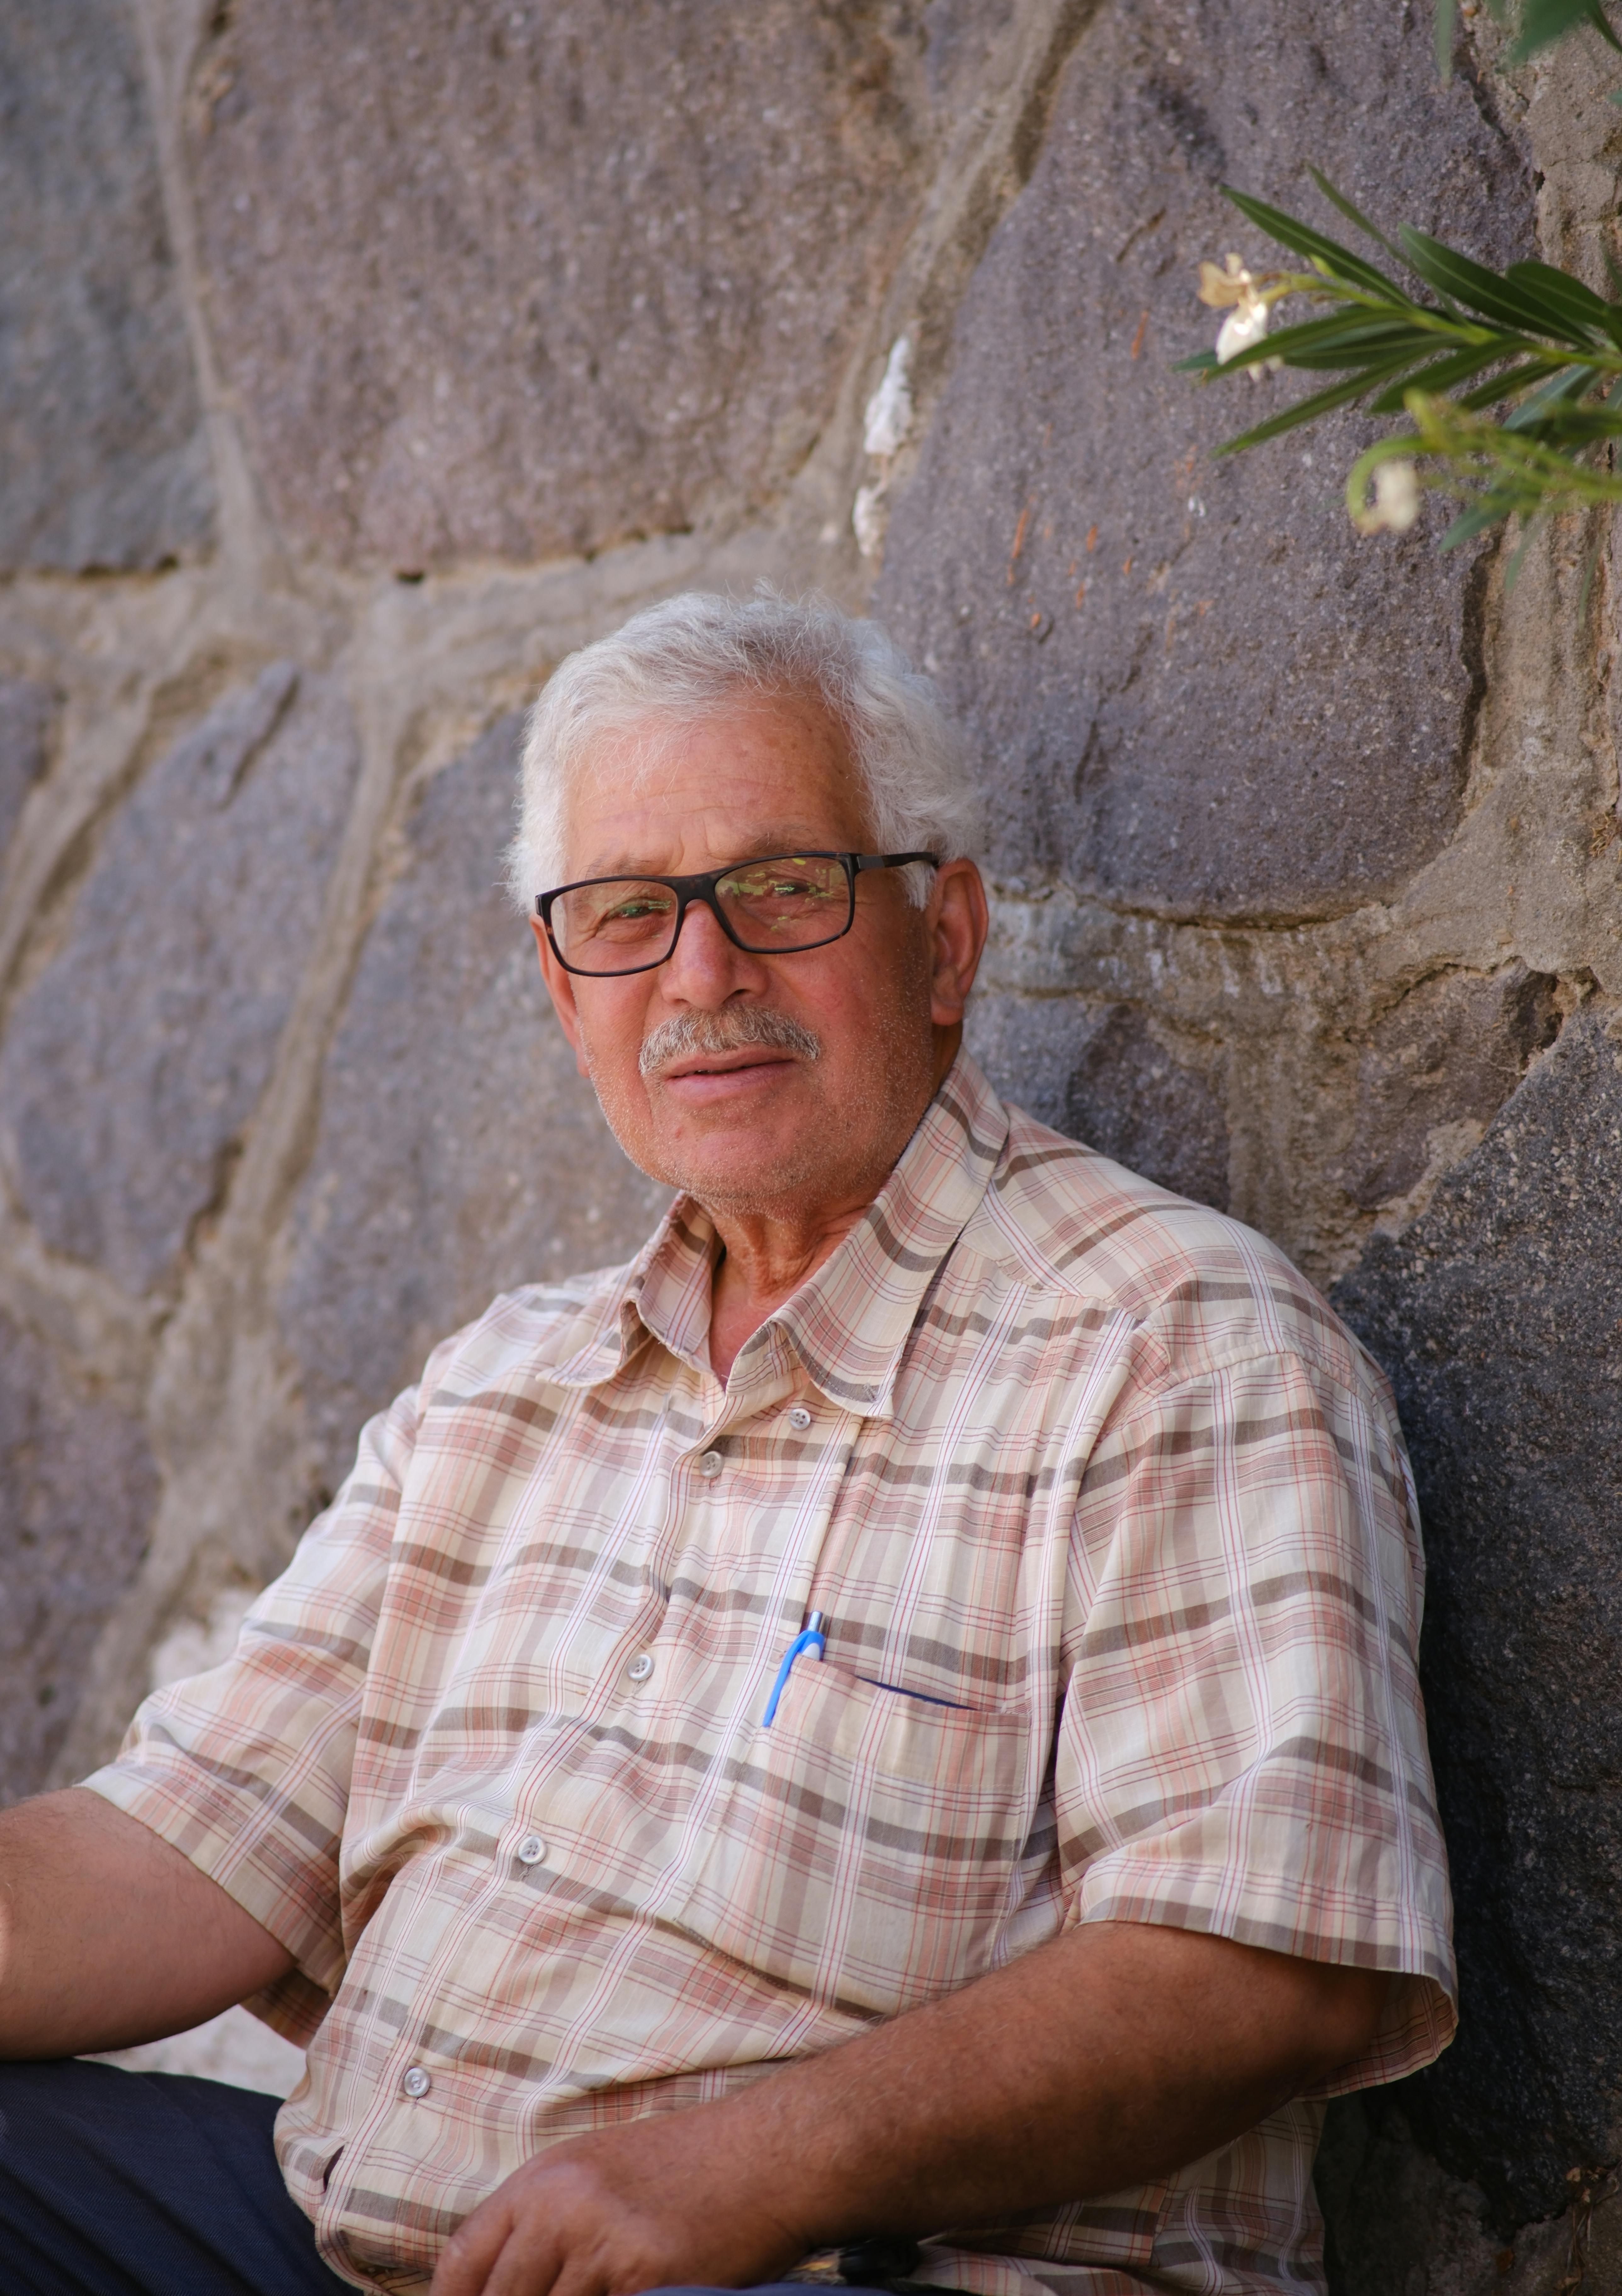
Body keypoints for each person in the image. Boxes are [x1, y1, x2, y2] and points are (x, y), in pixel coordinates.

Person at [0, 592, 1453, 2296]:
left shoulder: (1172, 1346)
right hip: (360, 2247)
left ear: (945, 939)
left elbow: (1267, 1966)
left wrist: (744, 2176)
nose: (703, 974)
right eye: (628, 915)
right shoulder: (501, 1391)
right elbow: (166, 1856)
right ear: (565, 991)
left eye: (780, 889)